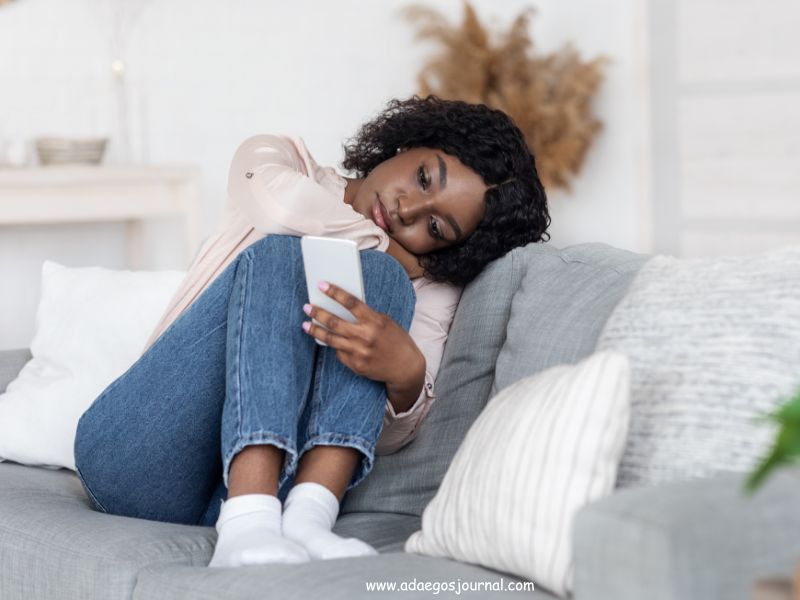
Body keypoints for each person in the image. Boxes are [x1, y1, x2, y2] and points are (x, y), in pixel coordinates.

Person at [72, 95, 550, 568]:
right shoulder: (283, 158)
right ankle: (250, 516)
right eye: (424, 177)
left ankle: (307, 518)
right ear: (411, 142)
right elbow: (281, 209)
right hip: (138, 452)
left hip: (267, 497)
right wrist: (389, 253)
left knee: (381, 283)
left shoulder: (423, 284)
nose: (408, 210)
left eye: (436, 227)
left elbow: (384, 435)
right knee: (304, 256)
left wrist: (405, 375)